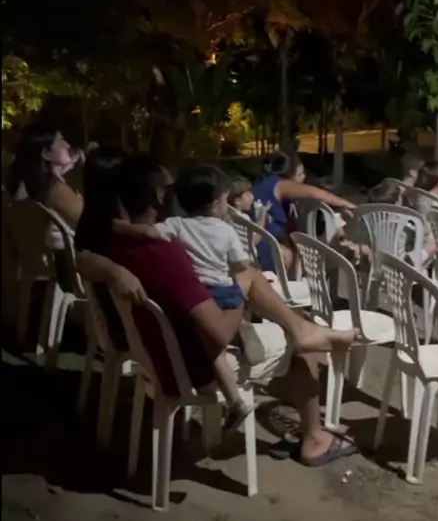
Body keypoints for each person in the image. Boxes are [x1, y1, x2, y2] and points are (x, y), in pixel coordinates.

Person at [77, 153, 361, 467]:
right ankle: (315, 439)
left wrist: (109, 267)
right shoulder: (165, 256)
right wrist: (240, 292)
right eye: (171, 189)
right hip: (188, 364)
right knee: (303, 348)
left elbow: (83, 258)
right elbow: (220, 333)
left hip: (151, 348)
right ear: (158, 195)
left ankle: (298, 331)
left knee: (257, 293)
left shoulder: (113, 244)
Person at [156, 164, 254, 426]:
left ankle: (231, 400)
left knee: (212, 349)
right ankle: (242, 332)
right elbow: (241, 263)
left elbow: (153, 234)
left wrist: (124, 228)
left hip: (197, 296)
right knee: (215, 346)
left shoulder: (176, 225)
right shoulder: (225, 230)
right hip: (227, 294)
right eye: (225, 199)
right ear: (214, 204)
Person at [252, 151, 356, 272]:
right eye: (300, 174)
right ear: (288, 177)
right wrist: (345, 203)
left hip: (256, 235)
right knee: (286, 255)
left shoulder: (263, 182)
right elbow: (314, 193)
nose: (304, 177)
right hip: (261, 242)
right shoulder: (280, 184)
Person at [6, 120, 86, 230]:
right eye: (60, 141)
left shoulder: (35, 185)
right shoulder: (55, 190)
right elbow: (92, 220)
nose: (67, 145)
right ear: (46, 153)